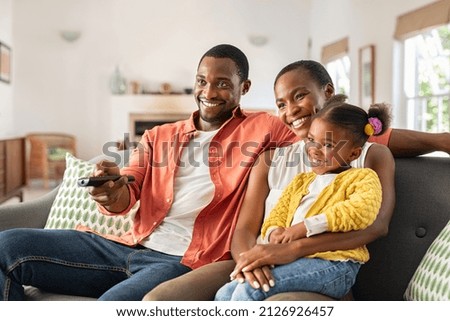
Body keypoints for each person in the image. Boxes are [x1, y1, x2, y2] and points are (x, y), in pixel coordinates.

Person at [0, 44, 297, 301]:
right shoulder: (158, 136)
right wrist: (110, 191)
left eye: (222, 83)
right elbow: (125, 194)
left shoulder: (265, 127)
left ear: (243, 88)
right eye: (201, 81)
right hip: (125, 246)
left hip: (179, 262)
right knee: (6, 247)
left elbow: (317, 147)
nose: (208, 92)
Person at [144, 59, 449, 301]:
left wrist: (291, 250)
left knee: (274, 304)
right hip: (260, 257)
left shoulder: (367, 155)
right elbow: (245, 229)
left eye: (299, 95)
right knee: (159, 301)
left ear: (326, 93)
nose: (291, 111)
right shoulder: (270, 159)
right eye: (280, 104)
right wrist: (252, 260)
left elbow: (377, 225)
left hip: (317, 262)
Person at [215, 95, 389, 300]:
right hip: (296, 260)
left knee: (250, 291)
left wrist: (303, 228)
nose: (314, 150)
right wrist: (274, 232)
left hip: (335, 266)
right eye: (311, 140)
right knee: (225, 294)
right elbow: (278, 213)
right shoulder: (301, 182)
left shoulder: (362, 178)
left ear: (353, 154)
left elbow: (360, 212)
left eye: (328, 145)